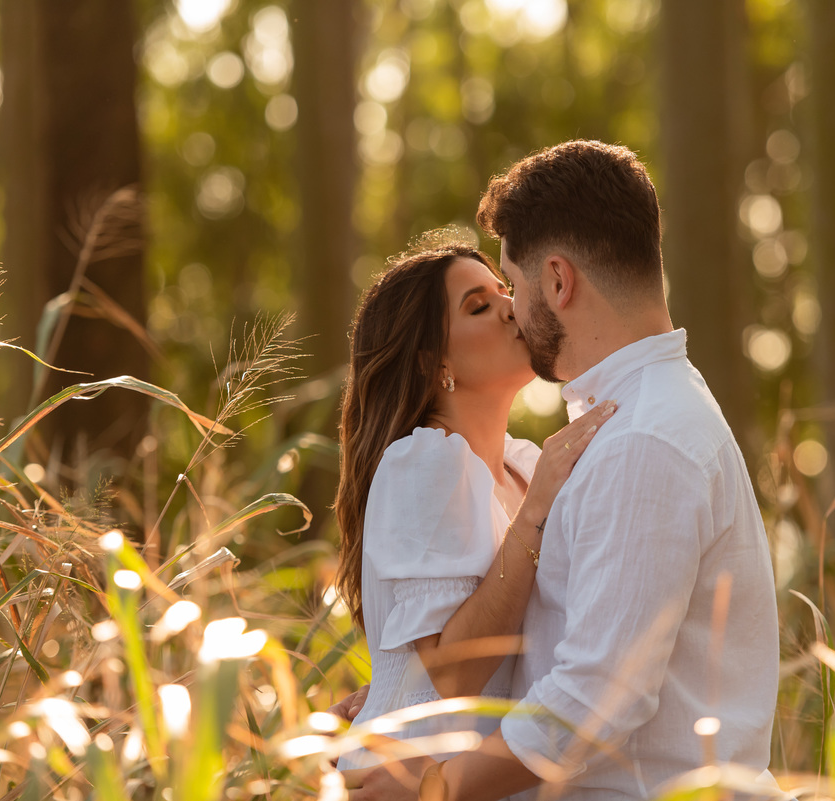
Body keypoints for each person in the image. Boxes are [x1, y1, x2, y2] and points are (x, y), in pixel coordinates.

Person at [343, 141, 780, 800]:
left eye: (510, 286)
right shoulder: (620, 424)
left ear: (557, 281)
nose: (512, 309)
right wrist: (392, 697)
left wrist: (434, 782)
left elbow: (596, 696)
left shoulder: (641, 441)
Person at [333, 236, 617, 770]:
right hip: (412, 777)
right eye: (478, 306)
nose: (512, 309)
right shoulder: (425, 464)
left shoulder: (523, 465)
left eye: (503, 291)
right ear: (434, 361)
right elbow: (453, 672)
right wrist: (534, 513)